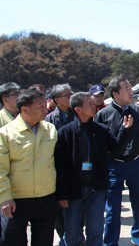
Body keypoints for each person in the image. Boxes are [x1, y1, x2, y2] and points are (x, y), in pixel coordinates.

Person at [55, 92, 133, 246]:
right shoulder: (66, 132)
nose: (94, 106)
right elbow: (60, 166)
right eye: (89, 104)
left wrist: (124, 130)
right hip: (73, 191)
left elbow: (116, 148)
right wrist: (62, 193)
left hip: (96, 188)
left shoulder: (101, 129)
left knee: (96, 231)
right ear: (78, 109)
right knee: (72, 233)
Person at [95, 75, 139, 246]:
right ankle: (111, 242)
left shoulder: (137, 112)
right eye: (126, 88)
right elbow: (101, 145)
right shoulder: (103, 115)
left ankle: (138, 234)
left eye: (130, 88)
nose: (130, 91)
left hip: (136, 163)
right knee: (113, 208)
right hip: (114, 164)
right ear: (115, 93)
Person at [0, 89, 58, 245]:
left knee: (44, 240)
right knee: (13, 240)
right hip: (17, 200)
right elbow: (1, 169)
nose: (45, 108)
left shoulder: (50, 130)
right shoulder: (6, 133)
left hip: (46, 197)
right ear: (25, 109)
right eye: (40, 106)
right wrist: (4, 197)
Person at [46, 83, 75, 245]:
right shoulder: (49, 120)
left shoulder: (78, 114)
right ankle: (63, 236)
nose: (70, 96)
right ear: (56, 100)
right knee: (60, 207)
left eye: (70, 93)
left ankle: (77, 234)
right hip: (57, 169)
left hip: (77, 168)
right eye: (66, 95)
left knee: (78, 207)